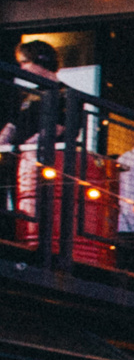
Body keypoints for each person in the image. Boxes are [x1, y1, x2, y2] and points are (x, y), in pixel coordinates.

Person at [3, 40, 65, 232]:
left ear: (40, 61)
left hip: (43, 162)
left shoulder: (64, 94)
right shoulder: (29, 94)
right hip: (19, 159)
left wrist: (29, 145)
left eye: (24, 62)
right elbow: (13, 123)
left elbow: (59, 126)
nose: (21, 68)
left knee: (38, 202)